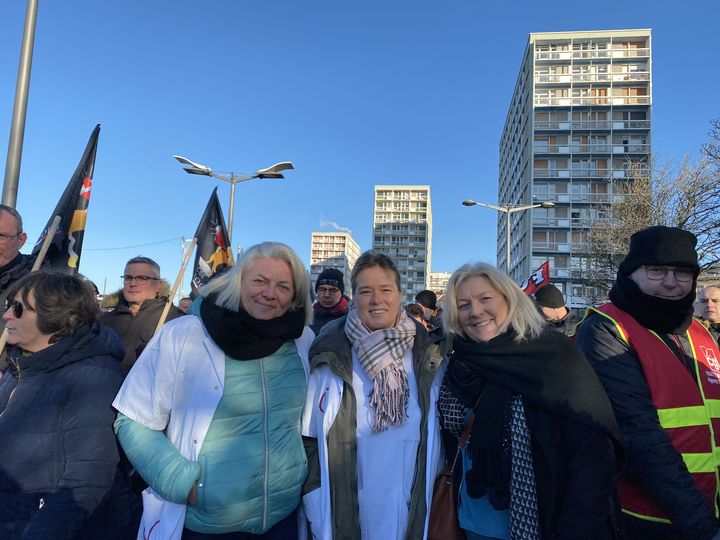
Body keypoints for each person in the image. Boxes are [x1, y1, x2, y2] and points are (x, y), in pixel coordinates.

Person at [113, 241, 315, 540]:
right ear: (238, 283)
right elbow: (133, 420)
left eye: (283, 286)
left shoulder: (302, 340)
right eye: (259, 281)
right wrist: (181, 482)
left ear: (295, 296)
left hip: (281, 518)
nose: (270, 293)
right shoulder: (185, 334)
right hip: (206, 523)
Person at [439, 262, 622, 540]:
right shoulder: (457, 363)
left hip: (546, 522)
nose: (475, 312)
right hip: (470, 523)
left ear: (509, 299)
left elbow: (593, 452)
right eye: (464, 305)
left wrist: (577, 527)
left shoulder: (553, 354)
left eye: (485, 299)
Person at [575, 226, 720, 540]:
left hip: (711, 508)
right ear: (631, 273)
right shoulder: (606, 328)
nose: (670, 281)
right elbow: (637, 434)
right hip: (650, 520)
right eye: (656, 270)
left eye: (682, 272)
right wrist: (702, 526)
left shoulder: (700, 331)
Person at [302, 251, 448, 540]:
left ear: (399, 294)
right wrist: (317, 507)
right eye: (366, 291)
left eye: (385, 290)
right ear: (354, 297)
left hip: (412, 513)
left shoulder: (430, 357)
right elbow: (309, 441)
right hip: (346, 515)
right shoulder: (330, 356)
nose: (376, 300)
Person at [0, 271, 129, 539]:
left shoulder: (94, 377)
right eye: (8, 305)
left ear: (57, 317)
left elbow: (86, 481)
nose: (7, 315)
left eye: (19, 308)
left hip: (33, 523)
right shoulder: (21, 366)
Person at [101, 256, 184, 373]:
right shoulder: (105, 319)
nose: (133, 283)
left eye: (142, 278)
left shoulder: (175, 319)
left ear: (158, 285)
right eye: (128, 278)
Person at [310, 268, 349, 335]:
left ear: (341, 293)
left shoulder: (352, 318)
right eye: (322, 289)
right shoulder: (308, 319)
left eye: (333, 290)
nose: (326, 295)